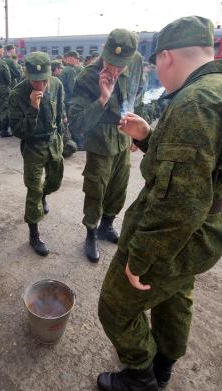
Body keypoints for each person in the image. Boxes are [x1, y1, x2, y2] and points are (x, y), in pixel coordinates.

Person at [96, 16, 222, 391]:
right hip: (208, 227)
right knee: (174, 295)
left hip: (178, 234)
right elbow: (206, 170)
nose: (155, 72)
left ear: (167, 57)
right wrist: (150, 135)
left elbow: (178, 205)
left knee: (115, 307)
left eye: (154, 65)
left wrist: (140, 259)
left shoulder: (196, 104)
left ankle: (140, 376)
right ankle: (163, 364)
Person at [69, 29, 141, 263]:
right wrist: (102, 99)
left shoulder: (136, 64)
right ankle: (91, 232)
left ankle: (106, 225)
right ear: (104, 51)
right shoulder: (87, 77)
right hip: (100, 142)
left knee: (119, 187)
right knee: (96, 189)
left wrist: (135, 132)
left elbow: (136, 97)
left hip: (124, 137)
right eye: (111, 63)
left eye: (121, 66)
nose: (115, 70)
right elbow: (77, 124)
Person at [9, 52, 64, 256]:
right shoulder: (17, 94)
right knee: (33, 189)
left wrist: (62, 135)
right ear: (26, 74)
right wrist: (33, 107)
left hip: (53, 142)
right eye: (34, 81)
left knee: (55, 182)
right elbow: (18, 131)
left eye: (43, 80)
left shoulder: (57, 84)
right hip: (33, 147)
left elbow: (60, 111)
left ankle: (44, 196)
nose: (40, 85)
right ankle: (34, 234)